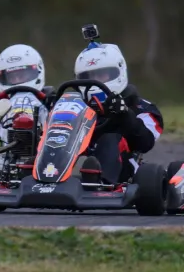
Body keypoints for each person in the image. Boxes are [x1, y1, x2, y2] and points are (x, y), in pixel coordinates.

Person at [62, 30, 163, 185]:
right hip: (77, 153)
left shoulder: (141, 107)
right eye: (89, 76)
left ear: (118, 72)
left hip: (123, 168)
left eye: (101, 75)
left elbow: (145, 143)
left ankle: (101, 180)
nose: (94, 81)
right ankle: (39, 175)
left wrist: (124, 114)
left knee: (109, 139)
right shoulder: (78, 105)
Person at [0, 43, 48, 141]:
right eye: (12, 77)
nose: (18, 79)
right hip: (2, 149)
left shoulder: (50, 101)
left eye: (23, 75)